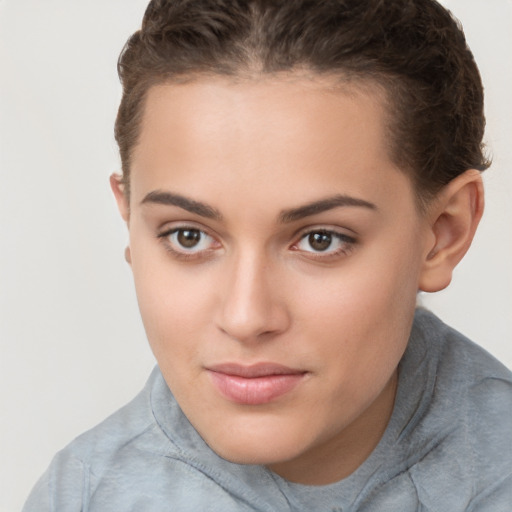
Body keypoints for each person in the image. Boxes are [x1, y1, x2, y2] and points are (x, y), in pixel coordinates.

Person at [23, 0, 512, 510]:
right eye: (187, 236)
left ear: (443, 233)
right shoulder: (79, 496)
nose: (246, 317)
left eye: (321, 239)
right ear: (129, 220)